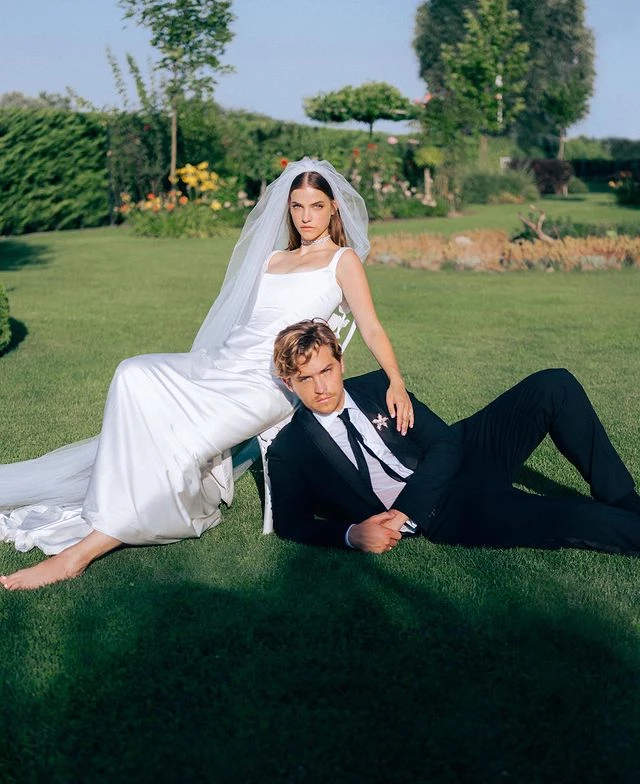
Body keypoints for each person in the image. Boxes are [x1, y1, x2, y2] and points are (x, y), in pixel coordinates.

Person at [0, 158, 413, 590]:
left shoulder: (342, 261)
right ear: (288, 209)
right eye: (297, 206)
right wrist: (211, 363)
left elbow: (370, 326)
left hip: (269, 383)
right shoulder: (273, 259)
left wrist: (396, 380)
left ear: (333, 208)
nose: (306, 217)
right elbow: (245, 324)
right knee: (132, 372)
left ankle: (77, 556)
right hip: (224, 362)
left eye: (316, 206)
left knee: (179, 443)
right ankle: (117, 503)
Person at [268, 319, 640, 554]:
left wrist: (402, 511)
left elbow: (445, 443)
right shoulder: (290, 450)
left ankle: (625, 499)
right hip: (448, 510)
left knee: (553, 385)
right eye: (305, 378)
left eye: (327, 371)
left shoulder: (378, 386)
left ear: (341, 363)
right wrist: (352, 535)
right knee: (567, 516)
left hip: (464, 452)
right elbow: (291, 524)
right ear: (288, 382)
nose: (321, 387)